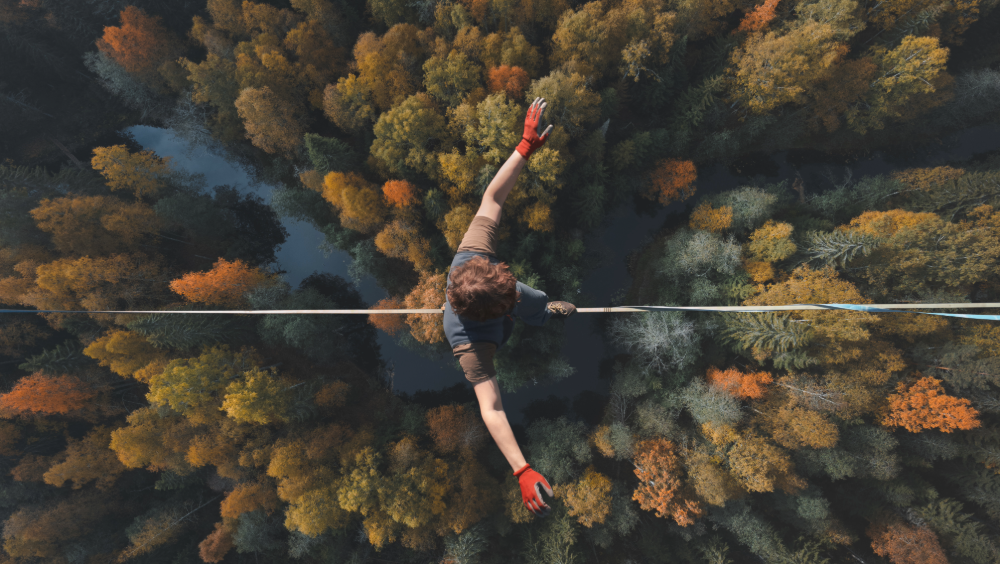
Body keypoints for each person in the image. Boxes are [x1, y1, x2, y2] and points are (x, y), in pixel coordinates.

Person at [443, 97, 576, 518]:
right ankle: (538, 315)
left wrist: (523, 149)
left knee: (534, 299)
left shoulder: (471, 259)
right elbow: (492, 408)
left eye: (507, 285)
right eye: (508, 300)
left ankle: (542, 312)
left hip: (491, 303)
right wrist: (521, 468)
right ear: (497, 313)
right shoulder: (471, 348)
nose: (512, 290)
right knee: (530, 304)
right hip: (492, 331)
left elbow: (493, 198)